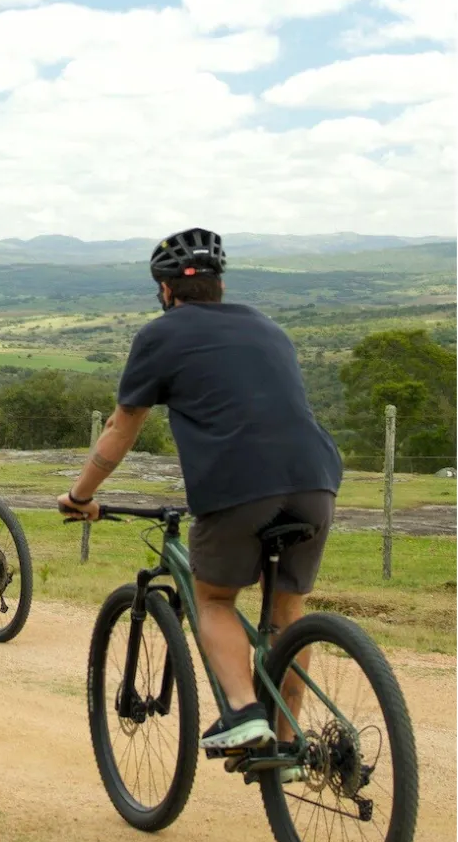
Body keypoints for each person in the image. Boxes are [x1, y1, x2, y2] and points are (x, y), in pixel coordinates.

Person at [58, 227, 342, 753]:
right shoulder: (268, 327)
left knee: (213, 600)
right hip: (317, 479)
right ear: (220, 285)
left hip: (239, 484)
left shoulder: (160, 335)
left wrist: (79, 495)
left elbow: (122, 427)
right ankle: (288, 744)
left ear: (165, 291)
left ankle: (243, 713)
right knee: (287, 613)